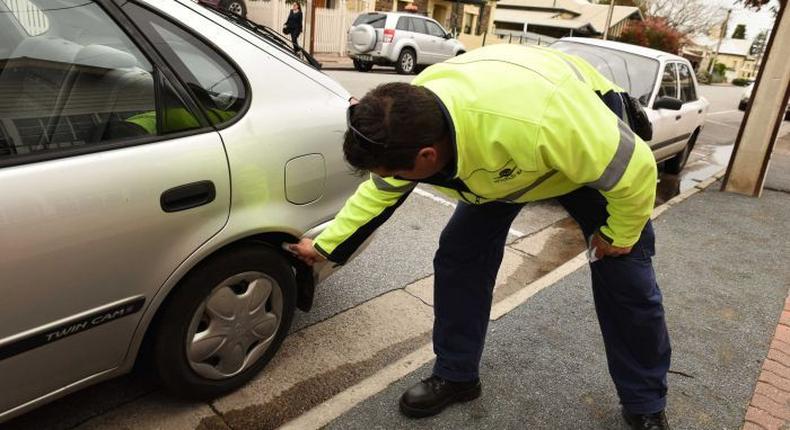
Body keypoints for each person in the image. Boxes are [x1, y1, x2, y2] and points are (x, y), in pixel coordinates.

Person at [288, 44, 672, 430]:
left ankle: (644, 404)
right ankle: (456, 375)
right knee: (460, 256)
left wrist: (619, 234)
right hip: (500, 170)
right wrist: (324, 246)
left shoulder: (548, 122)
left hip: (570, 154)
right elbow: (379, 192)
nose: (393, 180)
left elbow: (635, 171)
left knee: (626, 277)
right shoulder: (407, 117)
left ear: (426, 157)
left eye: (398, 173)